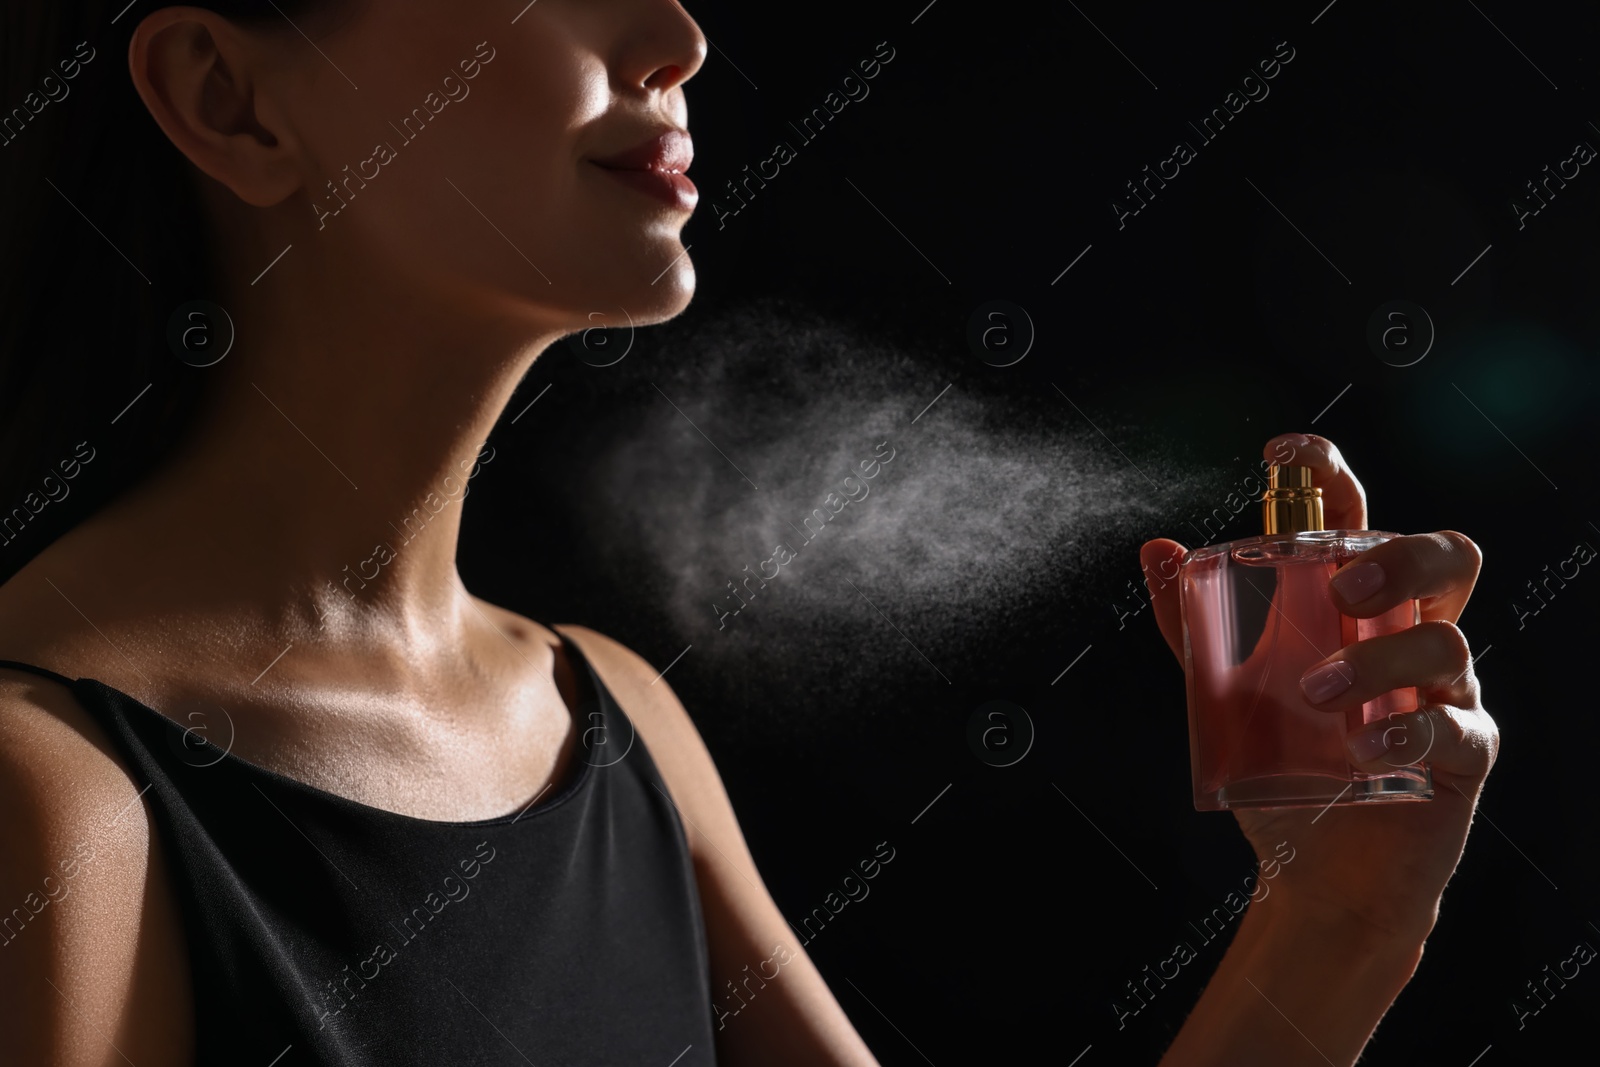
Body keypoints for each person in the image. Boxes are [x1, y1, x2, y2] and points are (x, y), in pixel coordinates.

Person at [0, 2, 1497, 1065]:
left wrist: (1337, 923)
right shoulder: (51, 802)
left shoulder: (612, 724)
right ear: (228, 96)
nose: (677, 32)